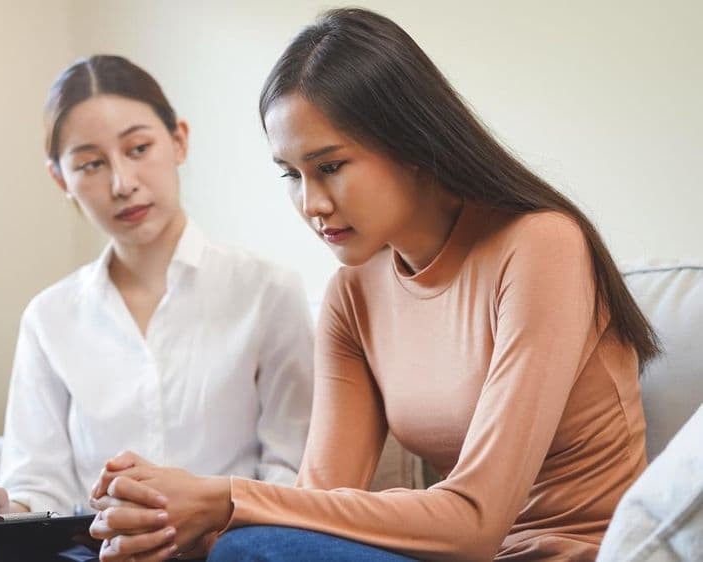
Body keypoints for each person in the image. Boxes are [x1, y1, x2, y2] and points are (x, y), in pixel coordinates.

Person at [86, 8, 661, 562]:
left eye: (330, 166)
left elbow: (477, 525)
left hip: (564, 554)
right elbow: (314, 508)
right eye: (292, 175)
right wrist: (169, 522)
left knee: (252, 546)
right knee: (242, 547)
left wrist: (227, 498)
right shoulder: (352, 294)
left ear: (412, 144)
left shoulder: (540, 245)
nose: (311, 204)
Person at [0, 55, 314, 562]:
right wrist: (0, 510)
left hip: (225, 545)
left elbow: (292, 473)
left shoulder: (267, 291)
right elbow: (39, 486)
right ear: (60, 178)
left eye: (138, 148)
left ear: (178, 140)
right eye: (90, 163)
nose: (121, 183)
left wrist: (208, 526)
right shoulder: (50, 317)